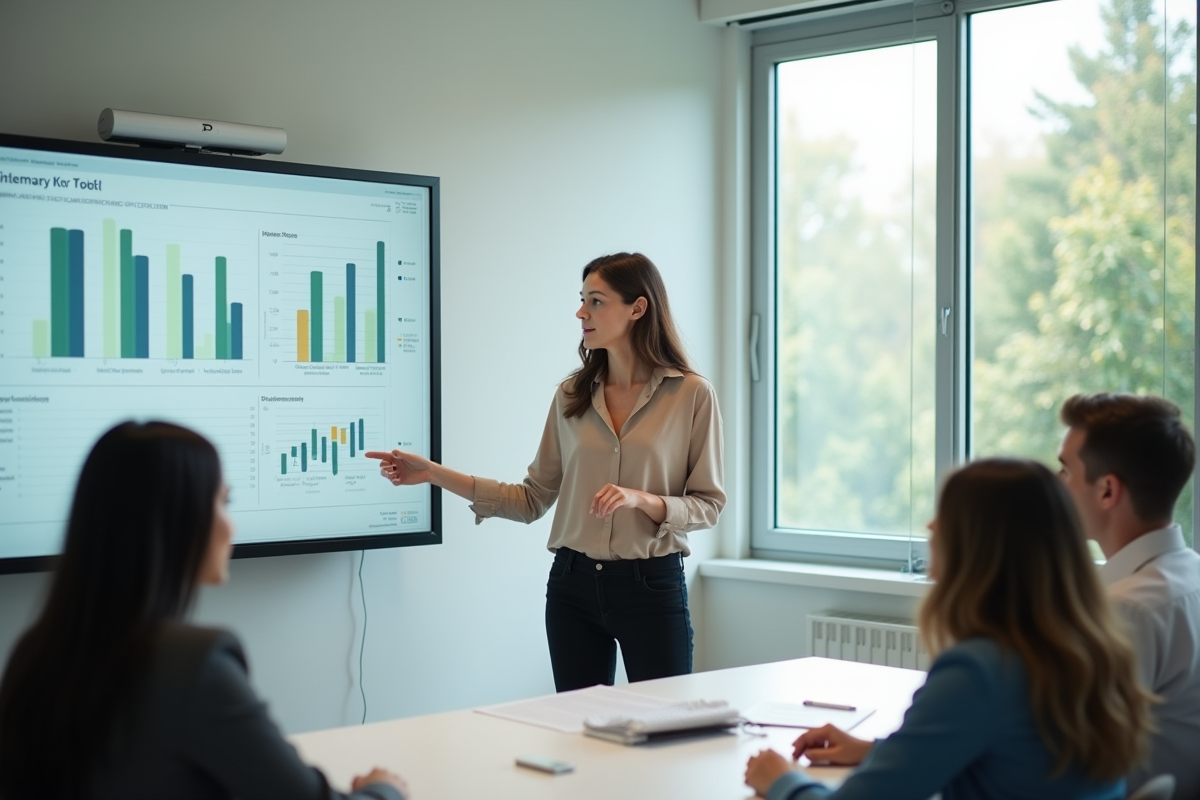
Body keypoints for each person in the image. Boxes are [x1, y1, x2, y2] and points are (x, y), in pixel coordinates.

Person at [367, 252, 725, 692]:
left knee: (666, 730)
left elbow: (709, 505)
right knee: (580, 735)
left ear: (638, 308)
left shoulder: (691, 394)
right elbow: (532, 498)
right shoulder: (571, 395)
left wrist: (643, 500)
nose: (581, 312)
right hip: (572, 587)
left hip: (651, 587)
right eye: (581, 300)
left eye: (595, 301)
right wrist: (434, 474)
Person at [0, 421, 408, 800]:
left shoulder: (35, 653)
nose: (231, 526)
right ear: (178, 521)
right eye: (223, 502)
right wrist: (383, 790)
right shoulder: (193, 667)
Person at [744, 458, 1153, 800]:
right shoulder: (1087, 648)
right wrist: (873, 751)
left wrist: (782, 779)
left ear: (982, 544)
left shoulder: (980, 671)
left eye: (947, 514)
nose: (930, 526)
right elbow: (1010, 754)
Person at [1058, 392, 1200, 799]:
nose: (1055, 485)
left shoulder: (1128, 610)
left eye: (1065, 471)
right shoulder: (1189, 574)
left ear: (1107, 491)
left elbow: (1077, 763)